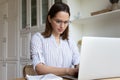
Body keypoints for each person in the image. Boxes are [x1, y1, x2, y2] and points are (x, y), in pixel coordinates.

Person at [30, 2, 80, 77]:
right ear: (49, 19)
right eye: (58, 21)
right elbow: (39, 69)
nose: (62, 26)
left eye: (66, 22)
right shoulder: (38, 38)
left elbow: (77, 62)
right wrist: (67, 71)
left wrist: (79, 68)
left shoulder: (70, 40)